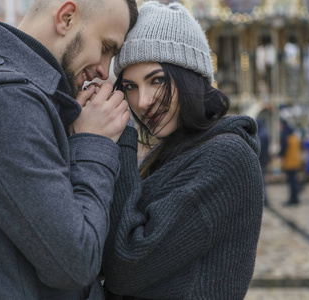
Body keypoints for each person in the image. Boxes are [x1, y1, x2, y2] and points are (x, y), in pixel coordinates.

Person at [0, 0, 138, 299]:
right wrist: (93, 142)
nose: (103, 68)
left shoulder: (2, 90)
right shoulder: (3, 103)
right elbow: (75, 262)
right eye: (105, 47)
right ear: (66, 17)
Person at [101, 2, 264, 299]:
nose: (142, 101)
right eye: (130, 87)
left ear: (190, 76)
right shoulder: (178, 151)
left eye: (157, 80)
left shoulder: (226, 157)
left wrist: (121, 134)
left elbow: (126, 265)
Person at [279, 118, 303, 206]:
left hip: (290, 161)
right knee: (294, 180)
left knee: (292, 181)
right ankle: (295, 197)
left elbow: (284, 148)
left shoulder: (285, 134)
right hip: (296, 161)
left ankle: (293, 198)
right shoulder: (294, 134)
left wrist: (279, 155)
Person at [257, 118, 270, 206]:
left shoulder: (261, 135)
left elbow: (259, 148)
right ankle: (264, 198)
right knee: (262, 179)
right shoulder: (265, 133)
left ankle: (263, 199)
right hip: (264, 159)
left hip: (261, 159)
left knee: (261, 180)